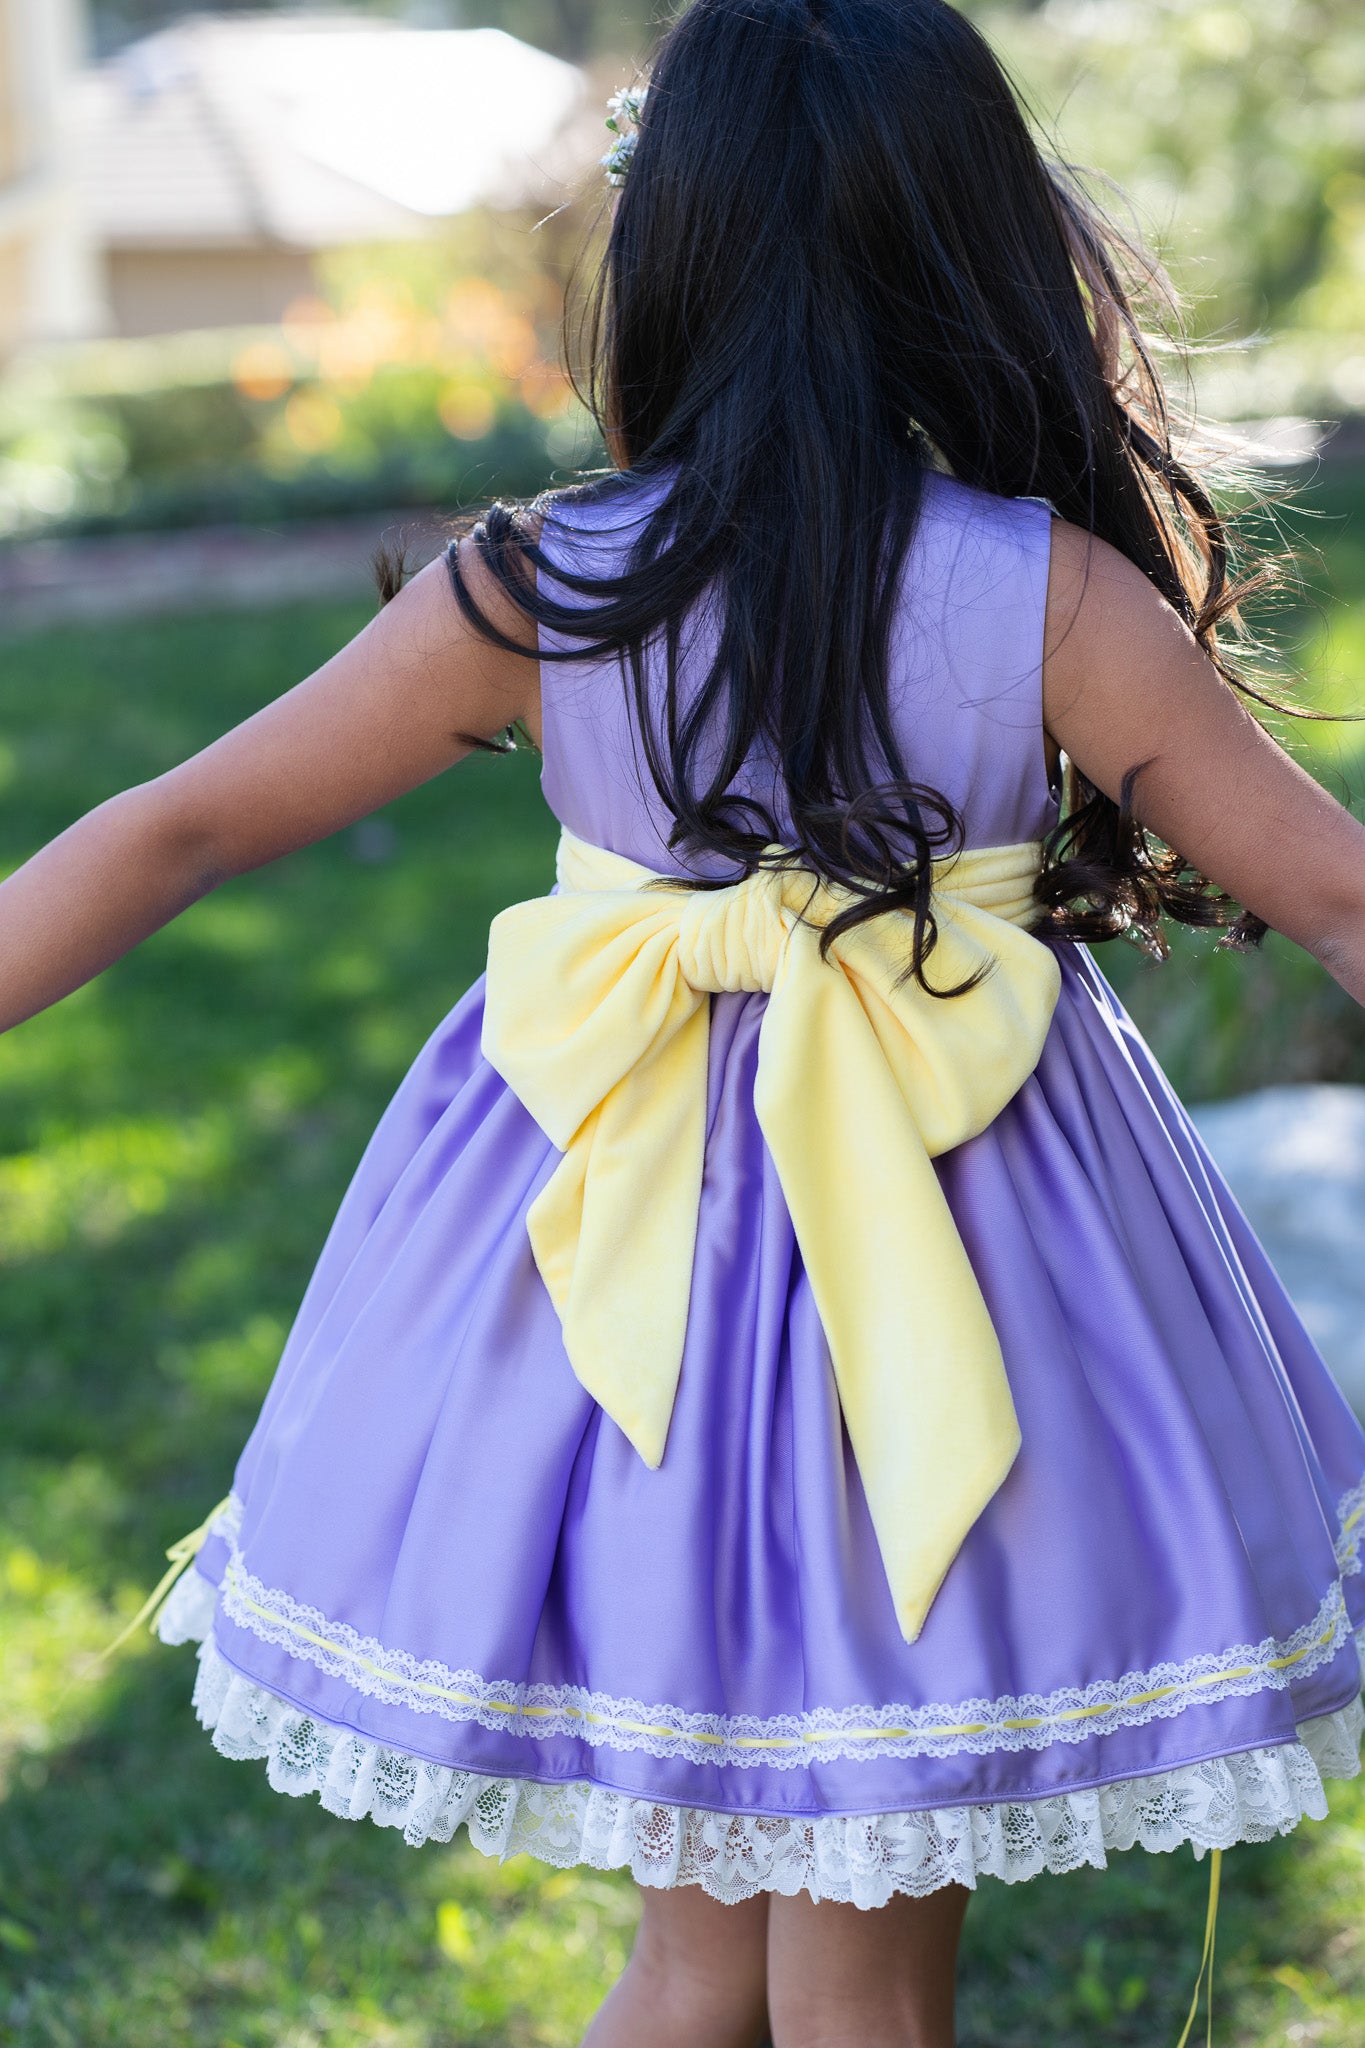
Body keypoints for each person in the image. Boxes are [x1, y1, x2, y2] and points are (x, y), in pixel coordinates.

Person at [22, 0, 1365, 2041]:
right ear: (978, 251)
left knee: (702, 1948)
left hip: (626, 1280)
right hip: (972, 1265)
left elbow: (180, 826)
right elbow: (1335, 892)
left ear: (668, 259)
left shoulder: (543, 590)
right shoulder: (1050, 599)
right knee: (846, 1973)